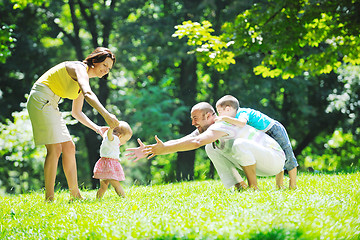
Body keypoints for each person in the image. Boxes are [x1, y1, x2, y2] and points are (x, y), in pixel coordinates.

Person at [26, 47, 120, 201]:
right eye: (104, 65)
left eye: (109, 68)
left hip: (51, 103)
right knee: (55, 148)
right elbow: (88, 94)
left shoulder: (84, 80)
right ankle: (49, 198)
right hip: (41, 99)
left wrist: (97, 128)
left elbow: (77, 112)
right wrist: (107, 115)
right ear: (95, 61)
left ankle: (75, 195)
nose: (106, 70)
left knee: (69, 146)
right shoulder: (79, 68)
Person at [126, 102, 285, 190]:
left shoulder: (222, 123)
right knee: (211, 147)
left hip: (274, 160)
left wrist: (165, 149)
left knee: (238, 144)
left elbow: (196, 142)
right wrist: (154, 148)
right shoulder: (208, 128)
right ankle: (239, 186)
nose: (193, 123)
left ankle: (253, 188)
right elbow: (186, 139)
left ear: (209, 116)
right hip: (259, 160)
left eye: (196, 118)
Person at [215, 95, 298, 189]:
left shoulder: (242, 112)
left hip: (274, 130)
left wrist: (225, 119)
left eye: (219, 112)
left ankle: (293, 185)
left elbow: (242, 123)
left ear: (228, 109)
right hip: (263, 136)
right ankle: (279, 186)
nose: (219, 115)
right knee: (277, 155)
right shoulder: (234, 118)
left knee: (288, 156)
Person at [93, 121, 132, 199]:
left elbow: (108, 133)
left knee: (103, 186)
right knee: (116, 184)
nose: (124, 142)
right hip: (109, 165)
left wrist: (111, 128)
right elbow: (109, 134)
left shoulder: (108, 138)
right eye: (126, 140)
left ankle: (98, 199)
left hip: (104, 163)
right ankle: (124, 198)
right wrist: (111, 127)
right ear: (120, 136)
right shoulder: (113, 139)